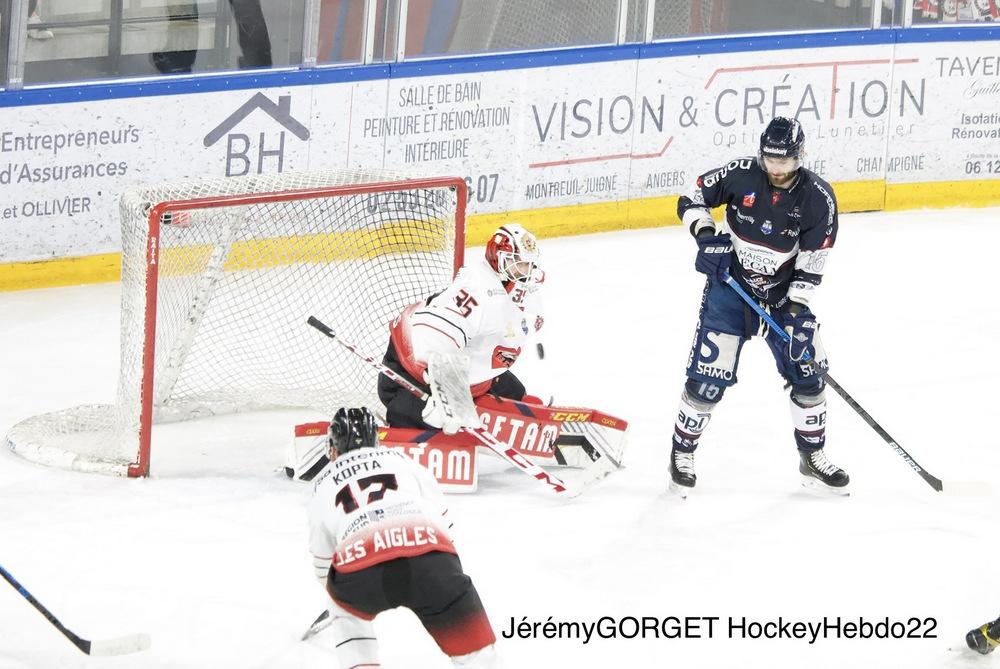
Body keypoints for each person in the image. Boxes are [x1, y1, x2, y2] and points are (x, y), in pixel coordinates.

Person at [668, 116, 849, 496]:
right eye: (770, 159)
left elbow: (813, 260)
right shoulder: (740, 174)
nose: (776, 168)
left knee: (810, 376)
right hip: (730, 291)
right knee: (706, 381)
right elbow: (692, 196)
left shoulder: (818, 198)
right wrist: (706, 235)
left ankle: (812, 456)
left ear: (800, 156)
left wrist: (797, 311)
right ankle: (681, 453)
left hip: (783, 300)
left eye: (785, 160)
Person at [307, 407, 501, 668]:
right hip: (431, 558)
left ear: (333, 447)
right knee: (479, 657)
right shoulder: (402, 459)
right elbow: (443, 521)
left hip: (360, 569)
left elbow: (323, 565)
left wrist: (341, 598)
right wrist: (447, 575)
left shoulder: (321, 484)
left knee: (346, 615)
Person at [378, 224, 545, 434]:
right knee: (430, 418)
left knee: (516, 395)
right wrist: (450, 395)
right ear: (497, 259)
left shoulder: (519, 289)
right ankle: (409, 418)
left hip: (472, 372)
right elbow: (434, 335)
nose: (525, 271)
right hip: (411, 374)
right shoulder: (477, 288)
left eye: (529, 264)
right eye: (518, 263)